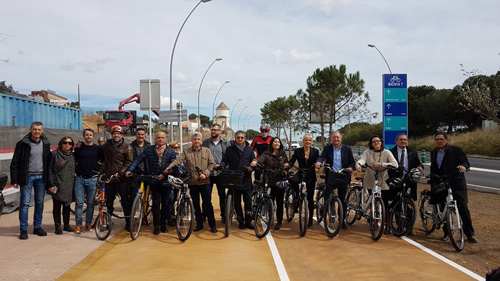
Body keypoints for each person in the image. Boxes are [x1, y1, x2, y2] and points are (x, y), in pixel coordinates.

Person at [165, 132, 217, 233]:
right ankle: (199, 224)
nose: (196, 141)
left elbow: (211, 165)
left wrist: (205, 174)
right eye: (194, 139)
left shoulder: (207, 151)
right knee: (196, 205)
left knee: (207, 204)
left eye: (198, 139)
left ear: (201, 141)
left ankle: (212, 225)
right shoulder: (186, 152)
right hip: (192, 183)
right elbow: (178, 161)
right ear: (192, 141)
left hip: (205, 182)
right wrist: (169, 167)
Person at [430, 132, 477, 243]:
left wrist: (463, 166)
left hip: (456, 183)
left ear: (446, 140)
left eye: (441, 139)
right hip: (441, 183)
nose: (439, 141)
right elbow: (434, 167)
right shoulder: (433, 153)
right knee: (443, 208)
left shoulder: (456, 150)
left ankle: (470, 234)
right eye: (437, 139)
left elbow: (465, 162)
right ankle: (447, 233)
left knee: (463, 208)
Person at [126, 131, 176, 235]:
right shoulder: (148, 150)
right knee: (156, 204)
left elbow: (173, 166)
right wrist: (130, 169)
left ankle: (163, 224)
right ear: (155, 139)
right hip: (154, 181)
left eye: (162, 137)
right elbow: (138, 160)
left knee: (166, 204)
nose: (160, 139)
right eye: (158, 137)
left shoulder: (170, 151)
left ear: (165, 139)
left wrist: (164, 174)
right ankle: (156, 226)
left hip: (166, 182)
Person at [10, 121, 52, 240]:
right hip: (27, 177)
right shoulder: (22, 144)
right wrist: (14, 179)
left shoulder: (45, 144)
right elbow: (15, 163)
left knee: (39, 203)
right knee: (24, 204)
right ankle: (23, 229)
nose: (37, 131)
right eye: (35, 129)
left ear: (42, 131)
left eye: (39, 129)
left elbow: (48, 163)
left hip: (41, 178)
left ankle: (37, 227)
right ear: (30, 130)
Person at [356, 135, 398, 235]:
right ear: (371, 144)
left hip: (383, 179)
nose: (376, 143)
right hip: (370, 178)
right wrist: (358, 164)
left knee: (385, 202)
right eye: (374, 142)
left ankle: (387, 225)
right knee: (372, 198)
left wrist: (382, 165)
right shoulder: (367, 152)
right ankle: (373, 220)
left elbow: (395, 164)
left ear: (381, 142)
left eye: (378, 141)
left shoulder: (387, 152)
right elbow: (363, 160)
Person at [315, 131, 355, 229]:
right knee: (328, 196)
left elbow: (352, 162)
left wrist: (350, 168)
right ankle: (326, 212)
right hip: (331, 175)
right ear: (331, 139)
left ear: (341, 139)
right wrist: (318, 162)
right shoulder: (328, 148)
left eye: (337, 137)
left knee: (342, 199)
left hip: (343, 175)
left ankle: (342, 220)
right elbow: (322, 157)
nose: (336, 139)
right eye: (334, 138)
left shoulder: (347, 149)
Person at [99, 125, 133, 232]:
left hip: (122, 179)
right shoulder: (106, 146)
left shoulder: (127, 147)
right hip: (109, 178)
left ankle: (128, 223)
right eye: (114, 133)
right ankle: (107, 223)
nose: (116, 135)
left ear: (121, 134)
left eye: (118, 133)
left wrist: (121, 172)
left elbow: (129, 162)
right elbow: (100, 156)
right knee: (109, 202)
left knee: (125, 202)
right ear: (111, 134)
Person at [219, 130, 255, 229]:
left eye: (242, 137)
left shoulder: (249, 149)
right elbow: (224, 161)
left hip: (246, 179)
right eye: (238, 137)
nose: (240, 139)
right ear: (235, 138)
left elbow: (253, 161)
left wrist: (252, 167)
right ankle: (241, 222)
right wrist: (221, 166)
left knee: (248, 202)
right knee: (237, 202)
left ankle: (248, 222)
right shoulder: (230, 149)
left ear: (245, 139)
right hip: (234, 179)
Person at [286, 134, 320, 228]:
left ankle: (310, 220)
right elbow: (292, 161)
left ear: (312, 142)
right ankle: (296, 198)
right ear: (303, 141)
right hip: (301, 172)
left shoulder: (315, 151)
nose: (308, 142)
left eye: (309, 140)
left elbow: (318, 161)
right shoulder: (298, 151)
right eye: (306, 140)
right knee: (293, 181)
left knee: (310, 198)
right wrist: (288, 165)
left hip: (311, 175)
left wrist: (319, 165)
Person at [254, 137, 288, 230]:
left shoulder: (283, 154)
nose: (277, 143)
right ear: (272, 143)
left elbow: (287, 164)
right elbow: (260, 159)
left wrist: (286, 166)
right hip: (269, 180)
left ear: (280, 144)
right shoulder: (266, 153)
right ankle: (270, 218)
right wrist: (255, 161)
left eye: (278, 142)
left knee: (280, 202)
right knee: (270, 201)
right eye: (275, 142)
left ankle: (279, 221)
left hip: (280, 180)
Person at [74, 128, 101, 233]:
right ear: (83, 136)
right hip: (80, 179)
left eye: (90, 135)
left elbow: (102, 161)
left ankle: (88, 224)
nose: (88, 137)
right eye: (86, 135)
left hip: (92, 179)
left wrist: (99, 171)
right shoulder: (79, 149)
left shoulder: (98, 149)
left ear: (93, 136)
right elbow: (73, 159)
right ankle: (78, 224)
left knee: (90, 203)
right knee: (79, 203)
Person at [47, 137, 76, 234]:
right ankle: (58, 226)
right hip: (57, 184)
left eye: (70, 143)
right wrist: (51, 184)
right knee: (57, 206)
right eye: (65, 142)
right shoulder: (54, 154)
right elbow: (49, 170)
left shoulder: (73, 155)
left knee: (67, 205)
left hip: (69, 184)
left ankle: (66, 225)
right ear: (61, 143)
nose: (67, 144)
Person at [202, 124, 230, 222]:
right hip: (208, 174)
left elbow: (228, 158)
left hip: (220, 174)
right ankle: (204, 215)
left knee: (222, 196)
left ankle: (224, 215)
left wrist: (223, 168)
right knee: (206, 196)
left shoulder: (226, 143)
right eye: (212, 130)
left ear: (220, 132)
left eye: (215, 130)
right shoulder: (205, 143)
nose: (213, 132)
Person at [129, 128, 151, 201]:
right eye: (139, 134)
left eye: (142, 134)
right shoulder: (131, 146)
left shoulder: (149, 146)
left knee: (147, 196)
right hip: (135, 174)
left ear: (145, 136)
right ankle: (134, 210)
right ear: (136, 135)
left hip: (147, 173)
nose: (140, 136)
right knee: (133, 195)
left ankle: (146, 209)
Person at [166, 141, 183, 226]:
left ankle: (180, 216)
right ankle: (170, 217)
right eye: (175, 147)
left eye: (178, 147)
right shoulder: (169, 157)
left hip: (180, 180)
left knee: (180, 199)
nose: (177, 149)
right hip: (171, 180)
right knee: (171, 200)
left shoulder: (182, 157)